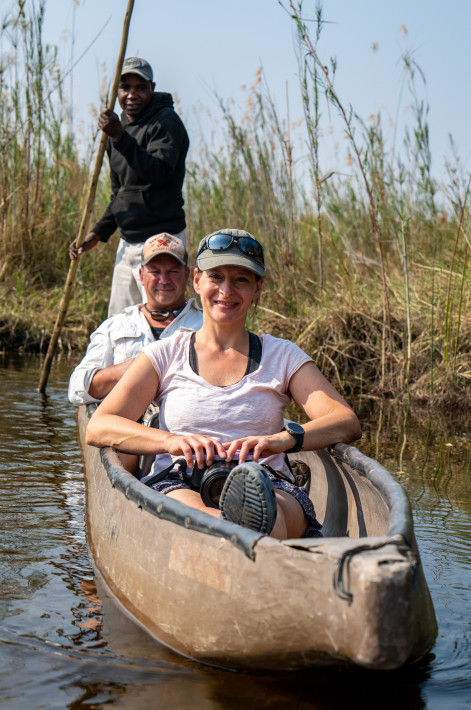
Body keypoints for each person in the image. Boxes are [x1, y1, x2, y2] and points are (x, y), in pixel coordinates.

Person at [86, 228, 362, 539]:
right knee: (201, 519)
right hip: (184, 481)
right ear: (197, 281)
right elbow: (100, 426)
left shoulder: (282, 354)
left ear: (257, 288)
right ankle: (241, 533)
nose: (226, 290)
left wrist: (282, 440)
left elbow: (345, 422)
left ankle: (250, 524)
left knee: (269, 513)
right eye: (216, 276)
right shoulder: (165, 354)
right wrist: (170, 441)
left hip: (267, 482)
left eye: (241, 280)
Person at [69, 57, 190, 316]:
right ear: (117, 92)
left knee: (163, 324)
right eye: (125, 88)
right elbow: (120, 194)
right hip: (128, 244)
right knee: (120, 322)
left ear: (152, 88)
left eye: (140, 87)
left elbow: (159, 172)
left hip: (162, 241)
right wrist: (98, 233)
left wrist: (119, 137)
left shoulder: (165, 122)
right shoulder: (118, 130)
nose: (132, 94)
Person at [68, 233, 202, 406]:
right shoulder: (114, 326)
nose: (164, 280)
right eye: (154, 271)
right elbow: (76, 390)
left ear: (186, 275)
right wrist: (134, 368)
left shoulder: (207, 326)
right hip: (126, 428)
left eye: (173, 271)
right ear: (141, 275)